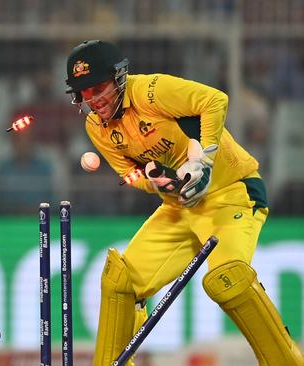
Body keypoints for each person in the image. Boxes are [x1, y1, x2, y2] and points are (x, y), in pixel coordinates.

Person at [63, 40, 304, 366]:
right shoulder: (97, 127)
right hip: (180, 207)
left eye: (99, 88)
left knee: (228, 281)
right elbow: (133, 175)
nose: (94, 101)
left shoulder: (151, 90)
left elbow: (214, 100)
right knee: (120, 281)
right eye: (85, 94)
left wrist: (203, 162)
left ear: (119, 77)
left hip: (231, 193)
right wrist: (159, 181)